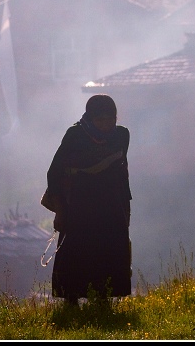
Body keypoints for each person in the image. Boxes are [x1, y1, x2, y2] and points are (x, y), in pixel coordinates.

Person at [44, 94, 132, 304]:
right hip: (80, 203)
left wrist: (126, 207)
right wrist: (60, 210)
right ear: (90, 118)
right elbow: (54, 172)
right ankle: (71, 299)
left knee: (108, 251)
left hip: (111, 202)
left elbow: (122, 171)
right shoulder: (75, 134)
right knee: (76, 251)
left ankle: (102, 299)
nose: (105, 124)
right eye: (100, 119)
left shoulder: (122, 135)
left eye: (110, 118)